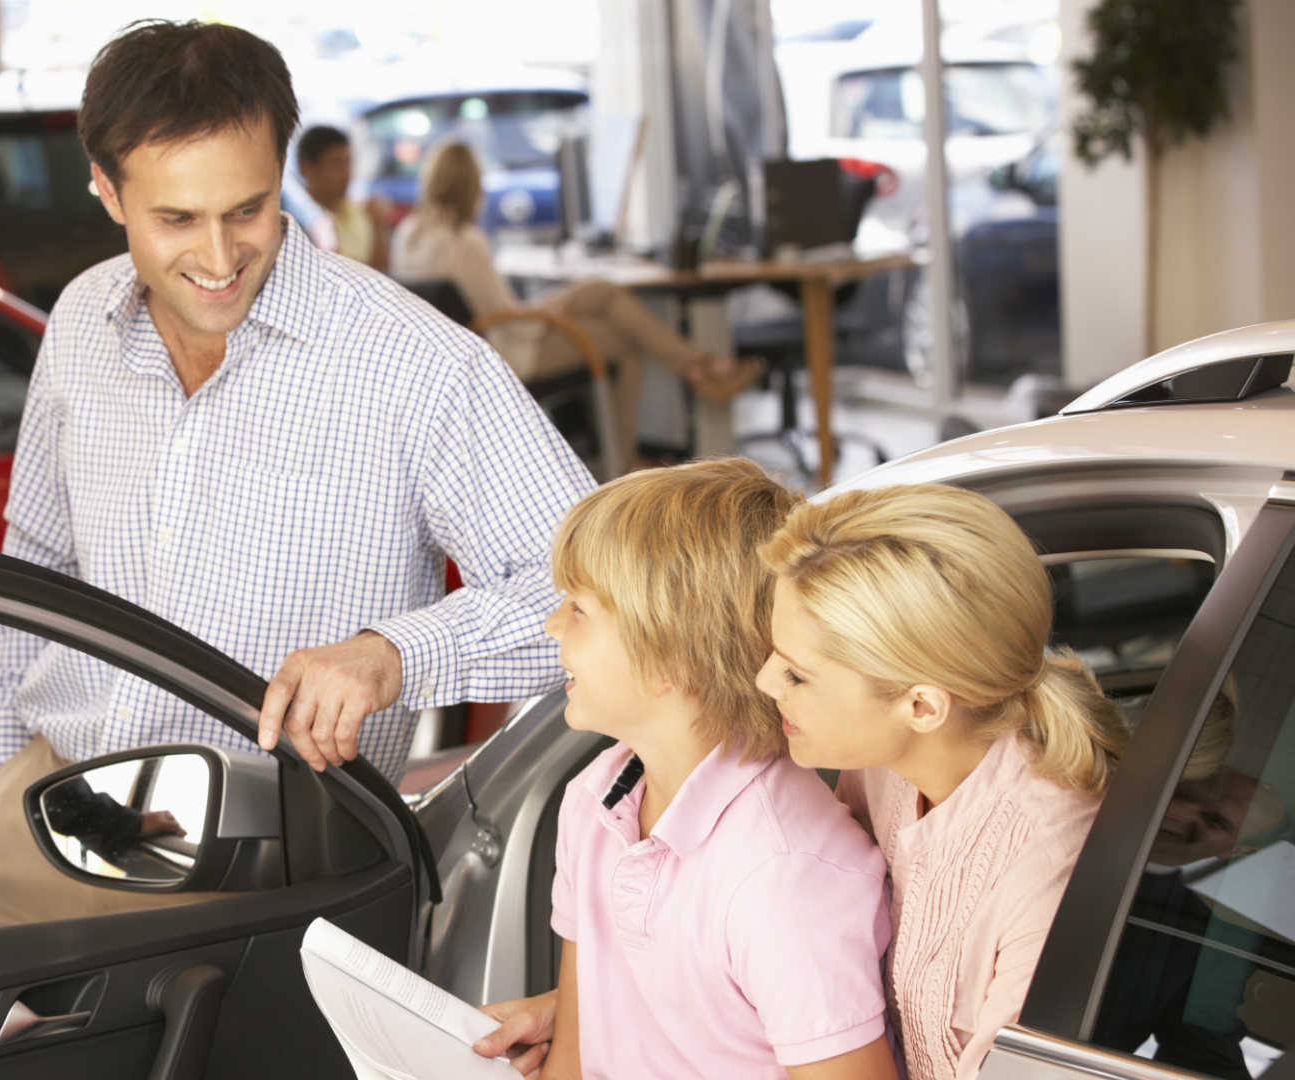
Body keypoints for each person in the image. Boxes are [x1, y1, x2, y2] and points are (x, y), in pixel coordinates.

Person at [0, 20, 593, 927]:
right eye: (177, 219)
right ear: (106, 190)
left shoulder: (413, 361)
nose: (219, 261)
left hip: (277, 863)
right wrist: (3, 766)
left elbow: (597, 590)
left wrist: (395, 655)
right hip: (51, 820)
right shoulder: (80, 319)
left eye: (248, 210)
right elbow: (38, 559)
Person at [480, 459, 897, 1079]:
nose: (551, 624)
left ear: (669, 652)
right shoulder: (592, 801)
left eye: (579, 609)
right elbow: (575, 1050)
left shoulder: (783, 878)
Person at [751, 484, 1128, 1079]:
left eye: (798, 673)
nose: (766, 681)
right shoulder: (883, 762)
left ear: (924, 707)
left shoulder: (1049, 866)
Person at [388, 140, 759, 468]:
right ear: (470, 187)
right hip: (508, 354)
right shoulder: (464, 240)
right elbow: (513, 321)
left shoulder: (407, 235)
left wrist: (558, 304)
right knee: (620, 331)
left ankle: (697, 369)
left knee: (600, 292)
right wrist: (554, 309)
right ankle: (634, 448)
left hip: (471, 352)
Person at [296, 124, 387, 269]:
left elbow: (381, 273)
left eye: (348, 163)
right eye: (336, 164)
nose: (346, 174)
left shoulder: (360, 212)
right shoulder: (298, 223)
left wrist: (378, 227)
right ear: (306, 168)